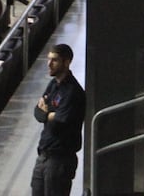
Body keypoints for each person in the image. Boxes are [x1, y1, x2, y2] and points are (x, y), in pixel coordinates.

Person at [31, 43, 84, 196]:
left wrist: (47, 113)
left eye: (54, 60)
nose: (49, 64)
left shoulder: (73, 92)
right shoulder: (54, 84)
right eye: (49, 59)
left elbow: (60, 121)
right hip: (44, 155)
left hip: (60, 160)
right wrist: (49, 115)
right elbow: (37, 112)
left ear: (66, 62)